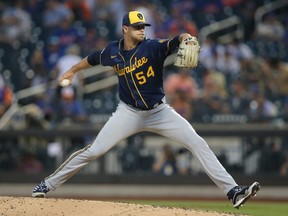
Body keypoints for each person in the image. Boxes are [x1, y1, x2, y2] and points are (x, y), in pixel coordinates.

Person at [32, 11, 260, 208]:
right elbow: (91, 60)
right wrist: (72, 71)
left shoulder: (152, 47)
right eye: (137, 27)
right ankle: (47, 184)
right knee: (94, 150)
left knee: (197, 142)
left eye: (143, 26)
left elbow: (174, 40)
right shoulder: (112, 51)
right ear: (125, 29)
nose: (142, 29)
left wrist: (186, 37)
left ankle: (233, 192)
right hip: (128, 113)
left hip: (159, 112)